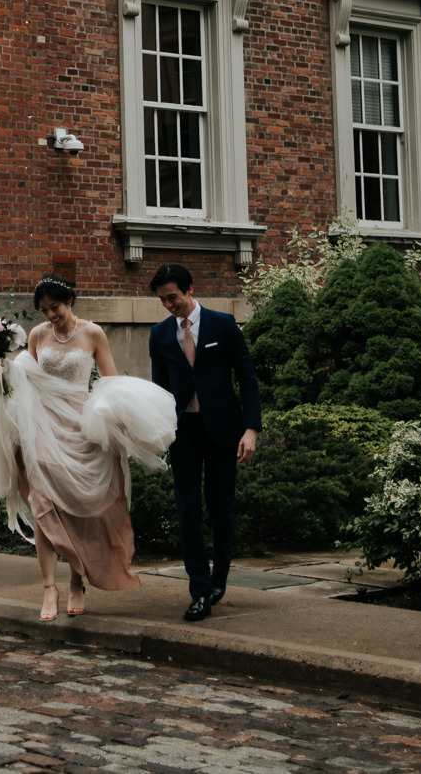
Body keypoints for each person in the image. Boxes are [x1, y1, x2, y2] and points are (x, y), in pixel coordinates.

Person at [0, 275, 177, 622]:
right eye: (44, 310)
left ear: (70, 301)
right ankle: (49, 586)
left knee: (84, 508)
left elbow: (110, 381)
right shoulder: (37, 336)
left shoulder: (93, 333)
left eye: (55, 307)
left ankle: (77, 581)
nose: (50, 315)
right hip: (44, 426)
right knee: (44, 504)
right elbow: (22, 379)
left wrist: (114, 418)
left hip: (82, 426)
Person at [147, 262, 260, 622]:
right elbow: (160, 389)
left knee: (221, 510)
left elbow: (247, 379)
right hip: (183, 433)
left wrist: (251, 429)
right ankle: (198, 590)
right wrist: (159, 429)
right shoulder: (160, 335)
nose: (169, 305)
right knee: (188, 510)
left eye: (173, 297)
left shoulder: (223, 325)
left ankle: (218, 579)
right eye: (163, 301)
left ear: (190, 289)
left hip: (223, 430)